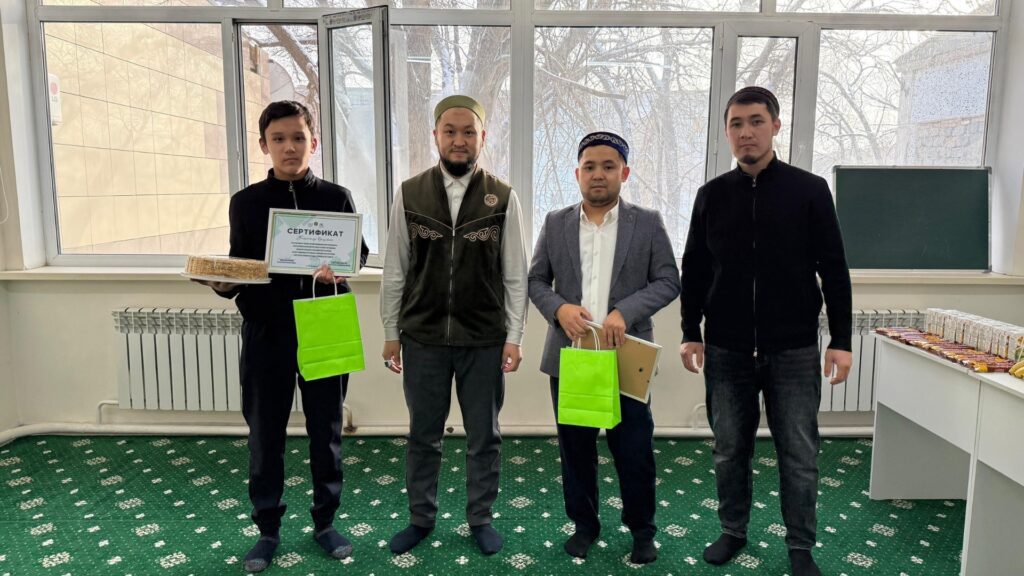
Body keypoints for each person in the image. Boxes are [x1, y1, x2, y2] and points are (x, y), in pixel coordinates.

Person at [679, 86, 853, 576]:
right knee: (729, 449)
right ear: (727, 133)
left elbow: (834, 268)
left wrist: (841, 340)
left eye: (756, 121)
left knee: (798, 452)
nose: (746, 133)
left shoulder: (809, 190)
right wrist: (691, 330)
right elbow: (695, 269)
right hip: (727, 349)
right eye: (736, 124)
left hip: (793, 349)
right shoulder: (711, 196)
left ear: (775, 126)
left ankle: (800, 545)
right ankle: (733, 531)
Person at [195, 100, 369, 573]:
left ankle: (325, 523)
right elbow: (241, 268)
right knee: (265, 434)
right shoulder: (246, 203)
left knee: (326, 431)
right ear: (263, 145)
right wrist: (223, 283)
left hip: (325, 324)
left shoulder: (337, 197)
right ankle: (267, 529)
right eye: (278, 139)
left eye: (298, 138)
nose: (289, 147)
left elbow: (357, 254)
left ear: (314, 142)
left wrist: (341, 270)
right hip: (267, 331)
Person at [380, 95, 528, 556]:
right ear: (436, 136)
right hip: (422, 337)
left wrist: (515, 336)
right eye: (450, 131)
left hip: (484, 339)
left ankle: (480, 518)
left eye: (468, 132)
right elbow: (395, 269)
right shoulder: (410, 193)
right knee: (423, 436)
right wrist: (390, 332)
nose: (459, 140)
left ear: (483, 137)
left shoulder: (503, 197)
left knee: (484, 437)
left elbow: (515, 274)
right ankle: (420, 518)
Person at [528, 132, 679, 564]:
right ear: (577, 174)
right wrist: (560, 310)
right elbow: (537, 280)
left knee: (633, 450)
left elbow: (669, 280)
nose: (598, 174)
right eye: (589, 166)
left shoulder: (646, 222)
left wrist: (625, 312)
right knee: (575, 451)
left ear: (624, 173)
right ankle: (585, 525)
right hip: (571, 358)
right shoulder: (555, 222)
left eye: (608, 166)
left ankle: (642, 531)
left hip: (625, 356)